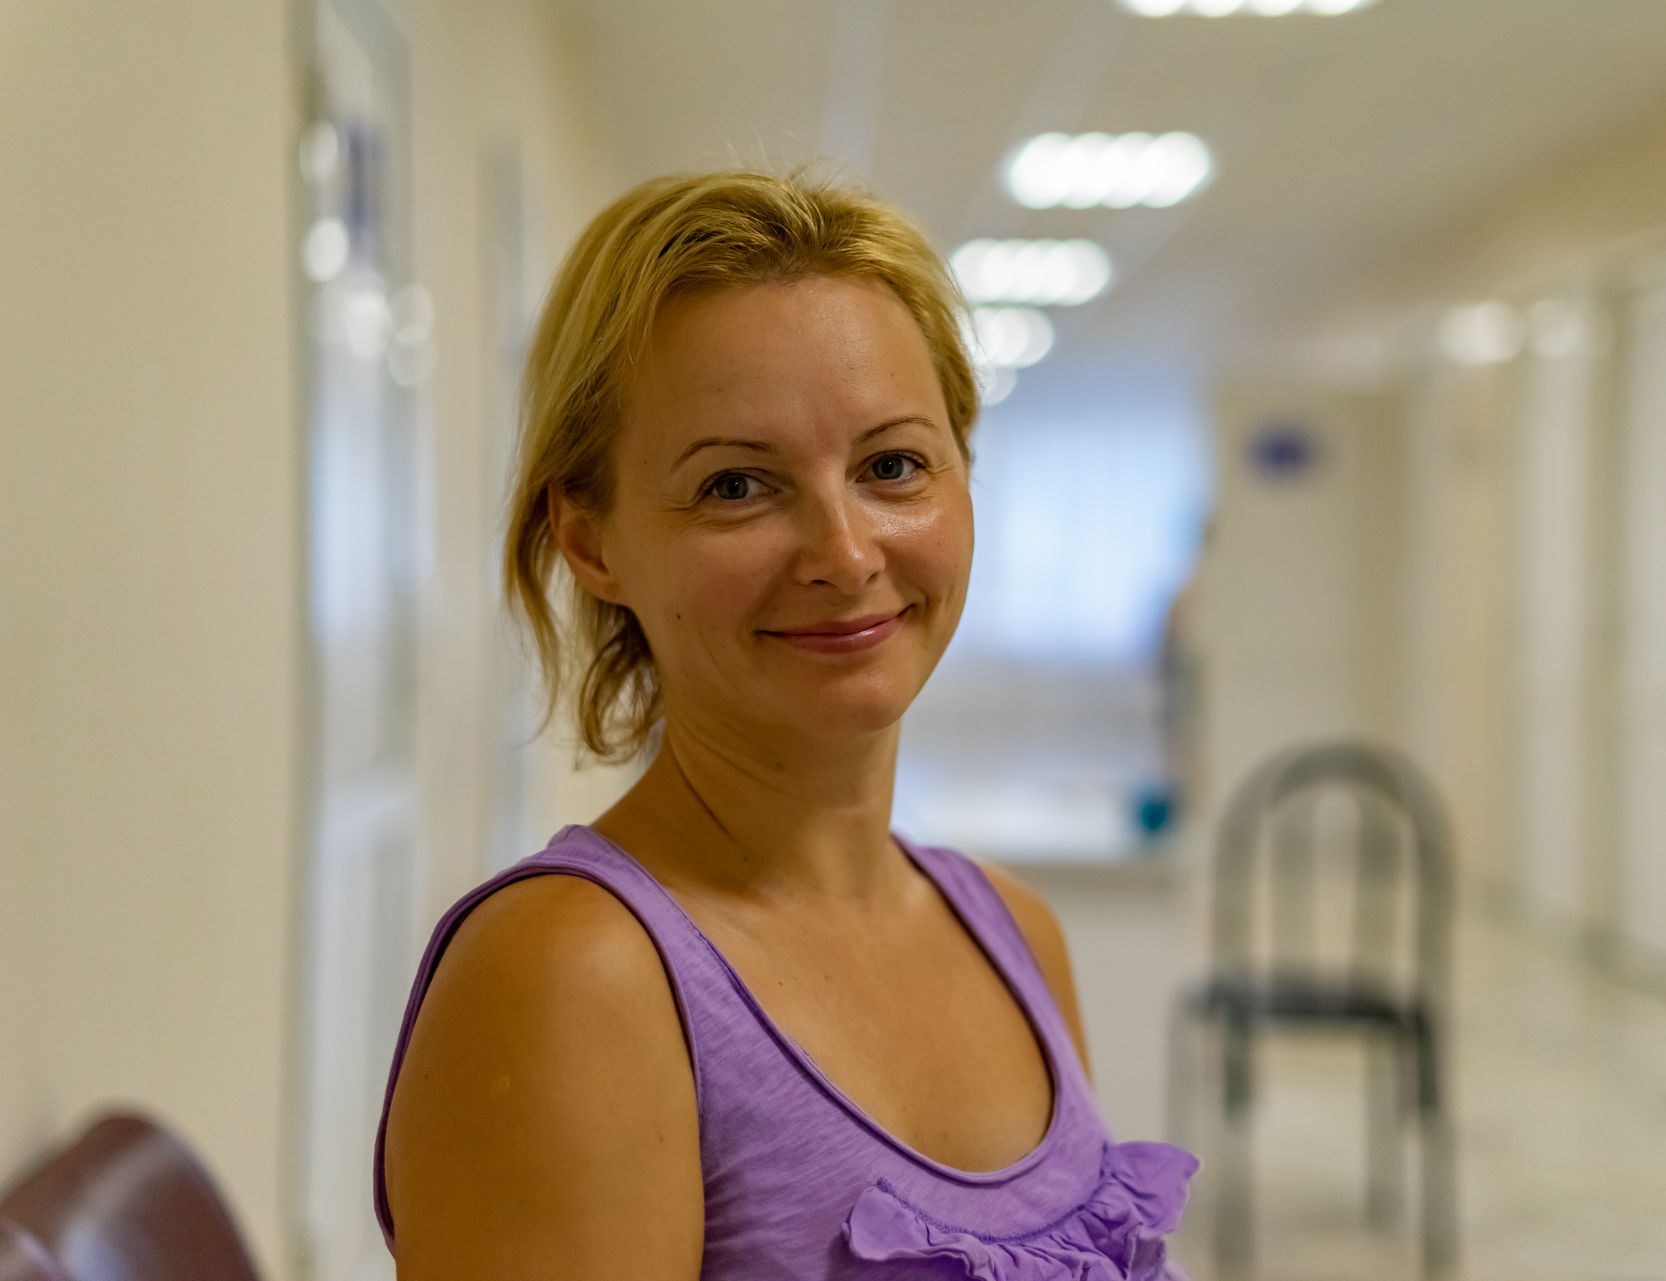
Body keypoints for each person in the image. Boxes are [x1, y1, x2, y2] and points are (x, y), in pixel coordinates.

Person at [371, 169, 1200, 1280]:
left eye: (892, 466)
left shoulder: (1015, 934)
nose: (846, 555)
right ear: (591, 541)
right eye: (735, 486)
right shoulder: (574, 980)